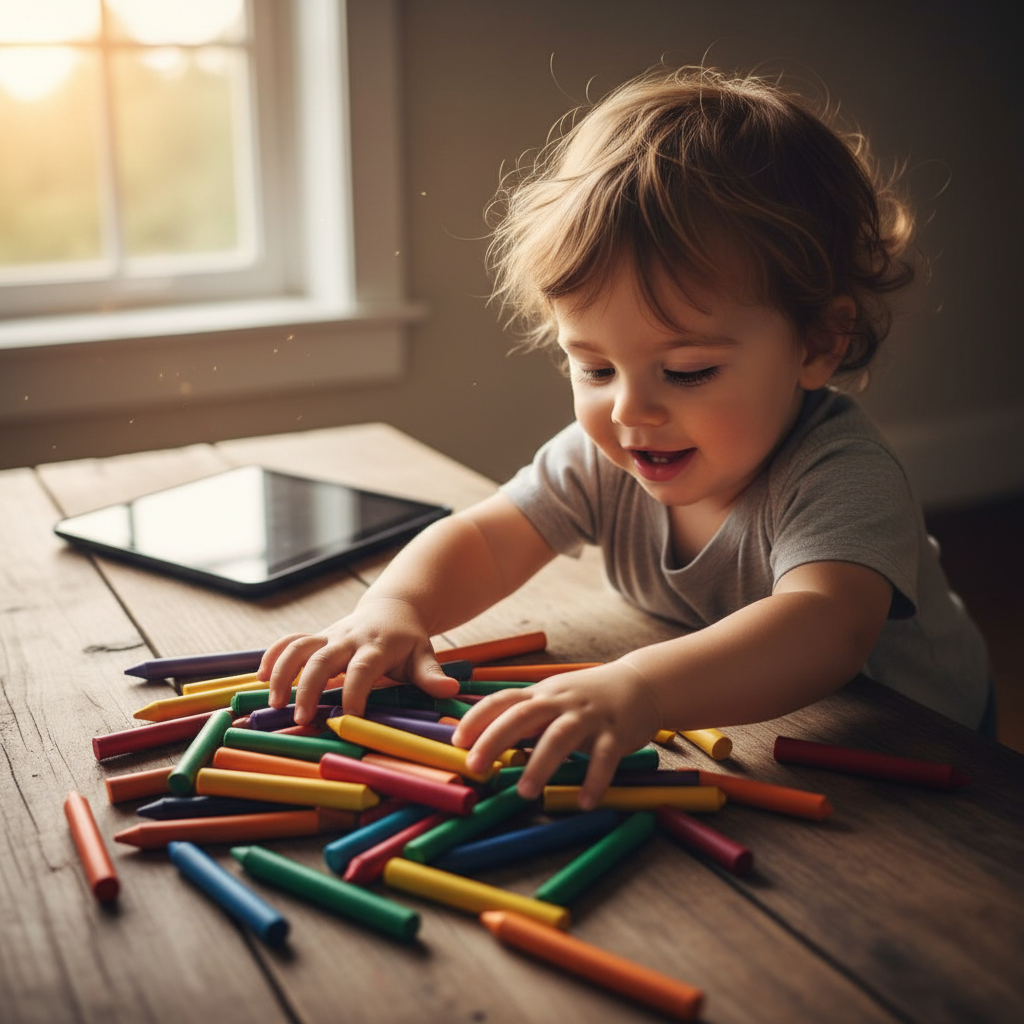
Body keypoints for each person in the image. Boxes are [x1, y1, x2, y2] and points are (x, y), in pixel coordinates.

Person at [259, 65, 991, 808]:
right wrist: (395, 609)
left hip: (922, 752)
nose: (630, 411)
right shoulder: (607, 453)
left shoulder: (842, 472)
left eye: (688, 371)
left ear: (818, 344)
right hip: (760, 733)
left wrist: (638, 683)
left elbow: (825, 629)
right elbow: (488, 537)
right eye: (595, 367)